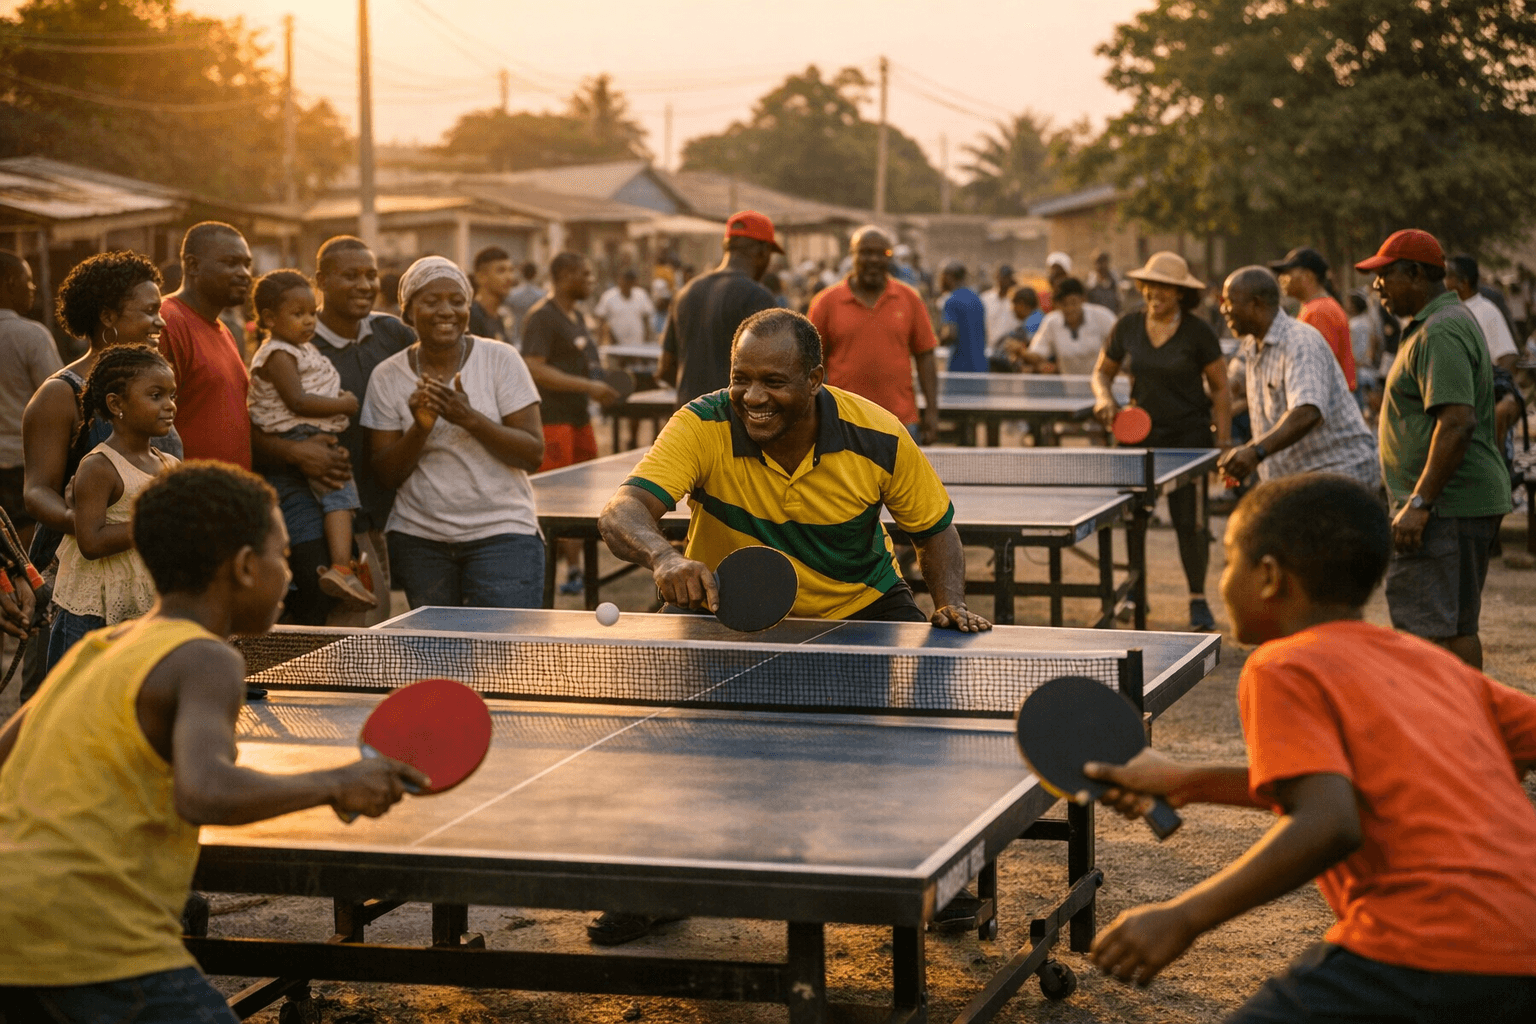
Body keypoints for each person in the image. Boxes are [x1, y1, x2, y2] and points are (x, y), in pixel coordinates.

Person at [597, 308, 991, 944]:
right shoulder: (702, 424)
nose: (753, 397)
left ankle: (932, 879)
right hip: (728, 609)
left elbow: (935, 529)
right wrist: (665, 555)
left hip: (859, 605)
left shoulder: (879, 434)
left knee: (914, 744)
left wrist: (945, 601)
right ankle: (657, 886)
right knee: (674, 748)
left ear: (815, 379)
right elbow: (621, 511)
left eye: (774, 382)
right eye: (741, 378)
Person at [1083, 474, 1536, 1022]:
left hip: (1426, 943)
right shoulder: (1433, 665)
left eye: (1230, 560)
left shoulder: (1284, 664)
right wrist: (1185, 782)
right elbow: (1351, 785)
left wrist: (1183, 916)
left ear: (1269, 576)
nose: (1223, 580)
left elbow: (1329, 820)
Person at [0, 462, 424, 1024]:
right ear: (247, 567)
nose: (291, 578)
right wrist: (337, 781)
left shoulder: (100, 649)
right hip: (94, 937)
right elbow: (203, 791)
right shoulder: (208, 657)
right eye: (284, 558)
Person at [20, 251, 183, 702]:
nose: (161, 323)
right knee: (56, 701)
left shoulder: (151, 388)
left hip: (139, 574)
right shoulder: (60, 394)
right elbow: (36, 492)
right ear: (107, 316)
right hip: (74, 578)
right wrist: (92, 529)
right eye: (149, 312)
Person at [1357, 229, 1511, 669]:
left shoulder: (1440, 332)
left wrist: (1419, 502)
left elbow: (1457, 422)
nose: (1376, 286)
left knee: (1425, 636)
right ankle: (1465, 731)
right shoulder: (1439, 323)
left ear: (1416, 274)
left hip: (1444, 507)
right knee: (1457, 628)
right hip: (1456, 505)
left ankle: (1439, 731)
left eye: (1385, 275)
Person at [361, 257, 546, 610]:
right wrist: (421, 428)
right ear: (408, 311)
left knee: (502, 657)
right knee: (439, 659)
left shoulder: (500, 360)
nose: (446, 310)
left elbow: (533, 454)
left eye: (457, 301)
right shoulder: (387, 377)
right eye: (431, 302)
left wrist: (469, 418)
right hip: (421, 540)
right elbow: (386, 475)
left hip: (503, 534)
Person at [251, 236, 414, 627]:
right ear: (322, 279)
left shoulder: (394, 334)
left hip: (374, 509)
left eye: (371, 275)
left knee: (376, 620)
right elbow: (256, 421)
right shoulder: (290, 344)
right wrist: (296, 453)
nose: (364, 284)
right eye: (350, 275)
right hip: (312, 506)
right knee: (336, 624)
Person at [1093, 251, 1230, 632]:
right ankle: (1137, 593)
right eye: (1151, 285)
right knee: (1136, 519)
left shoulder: (1198, 332)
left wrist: (1222, 444)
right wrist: (1105, 398)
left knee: (1191, 523)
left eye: (1165, 288)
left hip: (1189, 437)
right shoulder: (1128, 326)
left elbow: (1220, 389)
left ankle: (1198, 599)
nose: (1156, 293)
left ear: (1181, 293)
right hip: (1140, 438)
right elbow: (1101, 374)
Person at [43, 345, 180, 672]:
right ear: (116, 404)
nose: (170, 406)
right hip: (92, 615)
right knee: (79, 708)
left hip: (143, 608)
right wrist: (155, 524)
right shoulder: (101, 468)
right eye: (156, 395)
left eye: (172, 395)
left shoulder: (170, 466)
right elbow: (91, 542)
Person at [246, 270, 375, 609]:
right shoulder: (278, 354)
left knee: (336, 494)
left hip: (307, 433)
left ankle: (341, 567)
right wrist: (345, 404)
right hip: (296, 434)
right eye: (297, 314)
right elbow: (298, 401)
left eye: (311, 313)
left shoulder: (298, 349)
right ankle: (339, 567)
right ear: (270, 318)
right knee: (340, 493)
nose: (308, 321)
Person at [1215, 268, 1380, 492]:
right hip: (1297, 480)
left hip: (1337, 475)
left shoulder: (1299, 341)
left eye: (1230, 303)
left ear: (1256, 304)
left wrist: (1256, 451)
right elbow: (1230, 385)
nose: (1223, 310)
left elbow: (1307, 410)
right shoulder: (1252, 345)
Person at [523, 252, 622, 595]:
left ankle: (576, 570)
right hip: (553, 421)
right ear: (565, 276)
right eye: (585, 273)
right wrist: (588, 386)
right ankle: (543, 574)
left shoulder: (577, 316)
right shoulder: (542, 317)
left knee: (580, 498)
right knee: (554, 501)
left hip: (580, 419)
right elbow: (534, 367)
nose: (591, 280)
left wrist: (598, 383)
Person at [808, 225, 940, 444]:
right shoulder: (825, 302)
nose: (874, 259)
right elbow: (811, 362)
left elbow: (925, 355)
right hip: (843, 421)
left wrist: (933, 413)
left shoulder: (909, 299)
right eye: (866, 252)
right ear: (852, 256)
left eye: (882, 253)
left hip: (900, 422)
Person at [657, 211, 779, 405]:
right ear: (763, 251)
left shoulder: (684, 294)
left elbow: (665, 369)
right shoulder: (758, 297)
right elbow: (773, 371)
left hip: (687, 420)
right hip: (733, 421)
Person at [158, 222, 253, 468]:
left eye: (246, 264)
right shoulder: (166, 321)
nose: (244, 273)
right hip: (187, 493)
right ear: (192, 265)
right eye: (231, 262)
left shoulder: (225, 331)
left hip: (231, 496)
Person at [0, 251, 60, 549]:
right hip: (20, 464)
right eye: (28, 280)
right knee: (22, 550)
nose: (34, 288)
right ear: (10, 282)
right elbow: (60, 399)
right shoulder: (31, 336)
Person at [1270, 247, 1356, 391]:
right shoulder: (1316, 307)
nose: (1281, 278)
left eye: (1287, 273)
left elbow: (1319, 368)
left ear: (1308, 276)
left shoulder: (1319, 312)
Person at [1022, 277, 1118, 376]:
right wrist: (1021, 352)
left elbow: (1121, 346)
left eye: (1073, 302)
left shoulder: (1103, 317)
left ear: (1082, 299)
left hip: (1102, 385)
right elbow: (1038, 353)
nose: (1069, 309)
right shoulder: (1051, 322)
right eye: (1064, 304)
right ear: (1057, 305)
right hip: (1069, 387)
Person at [1446, 254, 1518, 370]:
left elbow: (1508, 357)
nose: (1444, 281)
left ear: (1463, 282)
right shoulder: (1448, 309)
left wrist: (1489, 385)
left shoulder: (1487, 311)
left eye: (1448, 276)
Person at [938, 262, 988, 373]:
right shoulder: (977, 299)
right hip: (980, 367)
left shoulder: (952, 301)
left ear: (949, 277)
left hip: (960, 368)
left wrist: (935, 343)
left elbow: (950, 333)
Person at [593, 267, 655, 347]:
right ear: (620, 280)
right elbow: (601, 319)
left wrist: (647, 341)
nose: (627, 283)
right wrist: (600, 342)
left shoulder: (641, 294)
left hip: (637, 344)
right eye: (625, 280)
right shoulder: (608, 296)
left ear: (634, 282)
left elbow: (646, 319)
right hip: (615, 344)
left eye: (630, 281)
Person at [468, 245, 514, 344]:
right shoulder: (471, 317)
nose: (509, 277)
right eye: (501, 271)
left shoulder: (498, 318)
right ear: (481, 277)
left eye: (511, 270)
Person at [1346, 292, 1382, 419]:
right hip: (1369, 369)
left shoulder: (1351, 325)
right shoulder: (1368, 322)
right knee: (1371, 408)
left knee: (1359, 410)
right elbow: (1375, 342)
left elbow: (1348, 348)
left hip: (1356, 370)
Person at [503, 261, 544, 349]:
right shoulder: (542, 295)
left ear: (521, 273)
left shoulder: (512, 294)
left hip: (516, 338)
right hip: (536, 341)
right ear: (535, 274)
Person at [979, 263, 1019, 345]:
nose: (1004, 280)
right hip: (986, 347)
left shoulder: (1014, 300)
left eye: (1007, 277)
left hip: (1006, 349)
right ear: (996, 277)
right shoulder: (985, 298)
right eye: (1002, 277)